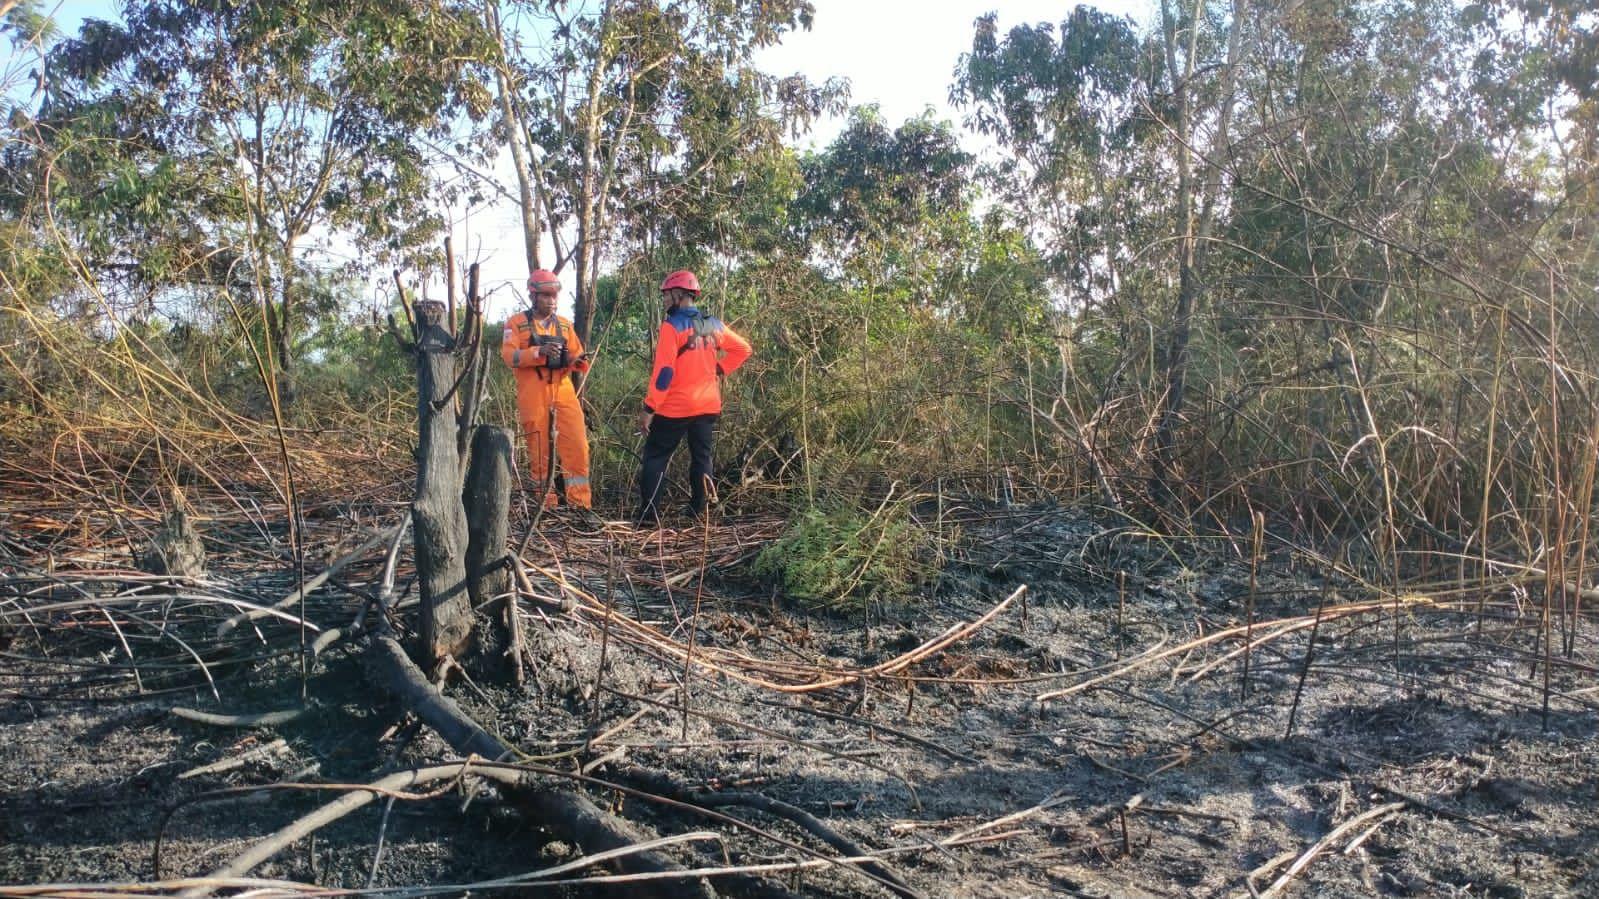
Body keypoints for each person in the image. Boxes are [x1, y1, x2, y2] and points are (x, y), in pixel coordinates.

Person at [637, 269, 752, 523]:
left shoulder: (671, 326)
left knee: (656, 456)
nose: (665, 300)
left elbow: (665, 372)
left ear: (679, 294)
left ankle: (648, 516)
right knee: (702, 457)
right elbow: (743, 349)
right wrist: (720, 369)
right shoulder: (713, 324)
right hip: (708, 405)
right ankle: (698, 511)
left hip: (676, 407)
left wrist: (649, 408)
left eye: (667, 295)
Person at [501, 269, 592, 509]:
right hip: (534, 395)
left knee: (578, 447)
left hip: (563, 392)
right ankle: (546, 507)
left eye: (554, 296)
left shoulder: (564, 325)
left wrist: (577, 361)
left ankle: (580, 506)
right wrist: (538, 352)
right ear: (533, 296)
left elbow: (578, 354)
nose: (552, 300)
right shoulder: (516, 324)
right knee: (540, 452)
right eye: (546, 295)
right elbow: (509, 356)